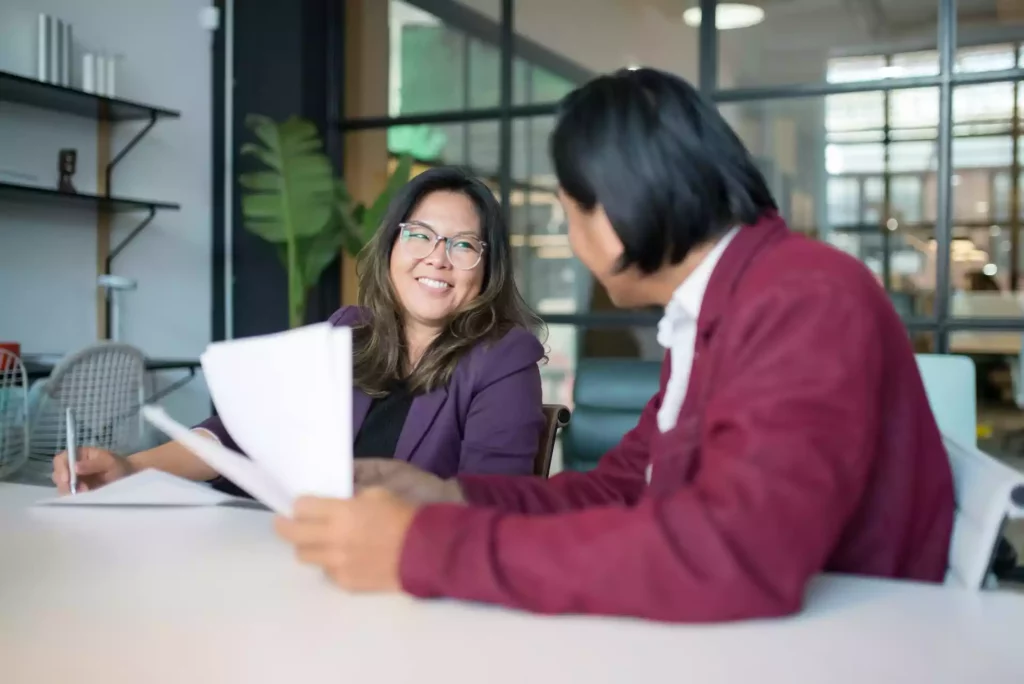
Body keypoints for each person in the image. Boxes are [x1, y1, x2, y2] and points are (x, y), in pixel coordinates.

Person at [274, 68, 956, 622]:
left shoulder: (803, 298)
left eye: (570, 215)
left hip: (846, 643)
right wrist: (448, 497)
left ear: (619, 211)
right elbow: (622, 489)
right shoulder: (719, 306)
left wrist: (422, 547)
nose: (574, 243)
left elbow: (734, 557)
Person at [52, 167, 547, 494]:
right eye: (419, 235)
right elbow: (239, 432)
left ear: (487, 268)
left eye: (463, 245)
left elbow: (491, 500)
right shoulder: (349, 333)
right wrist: (133, 471)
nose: (436, 257)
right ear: (392, 247)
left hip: (409, 580)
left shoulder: (504, 357)